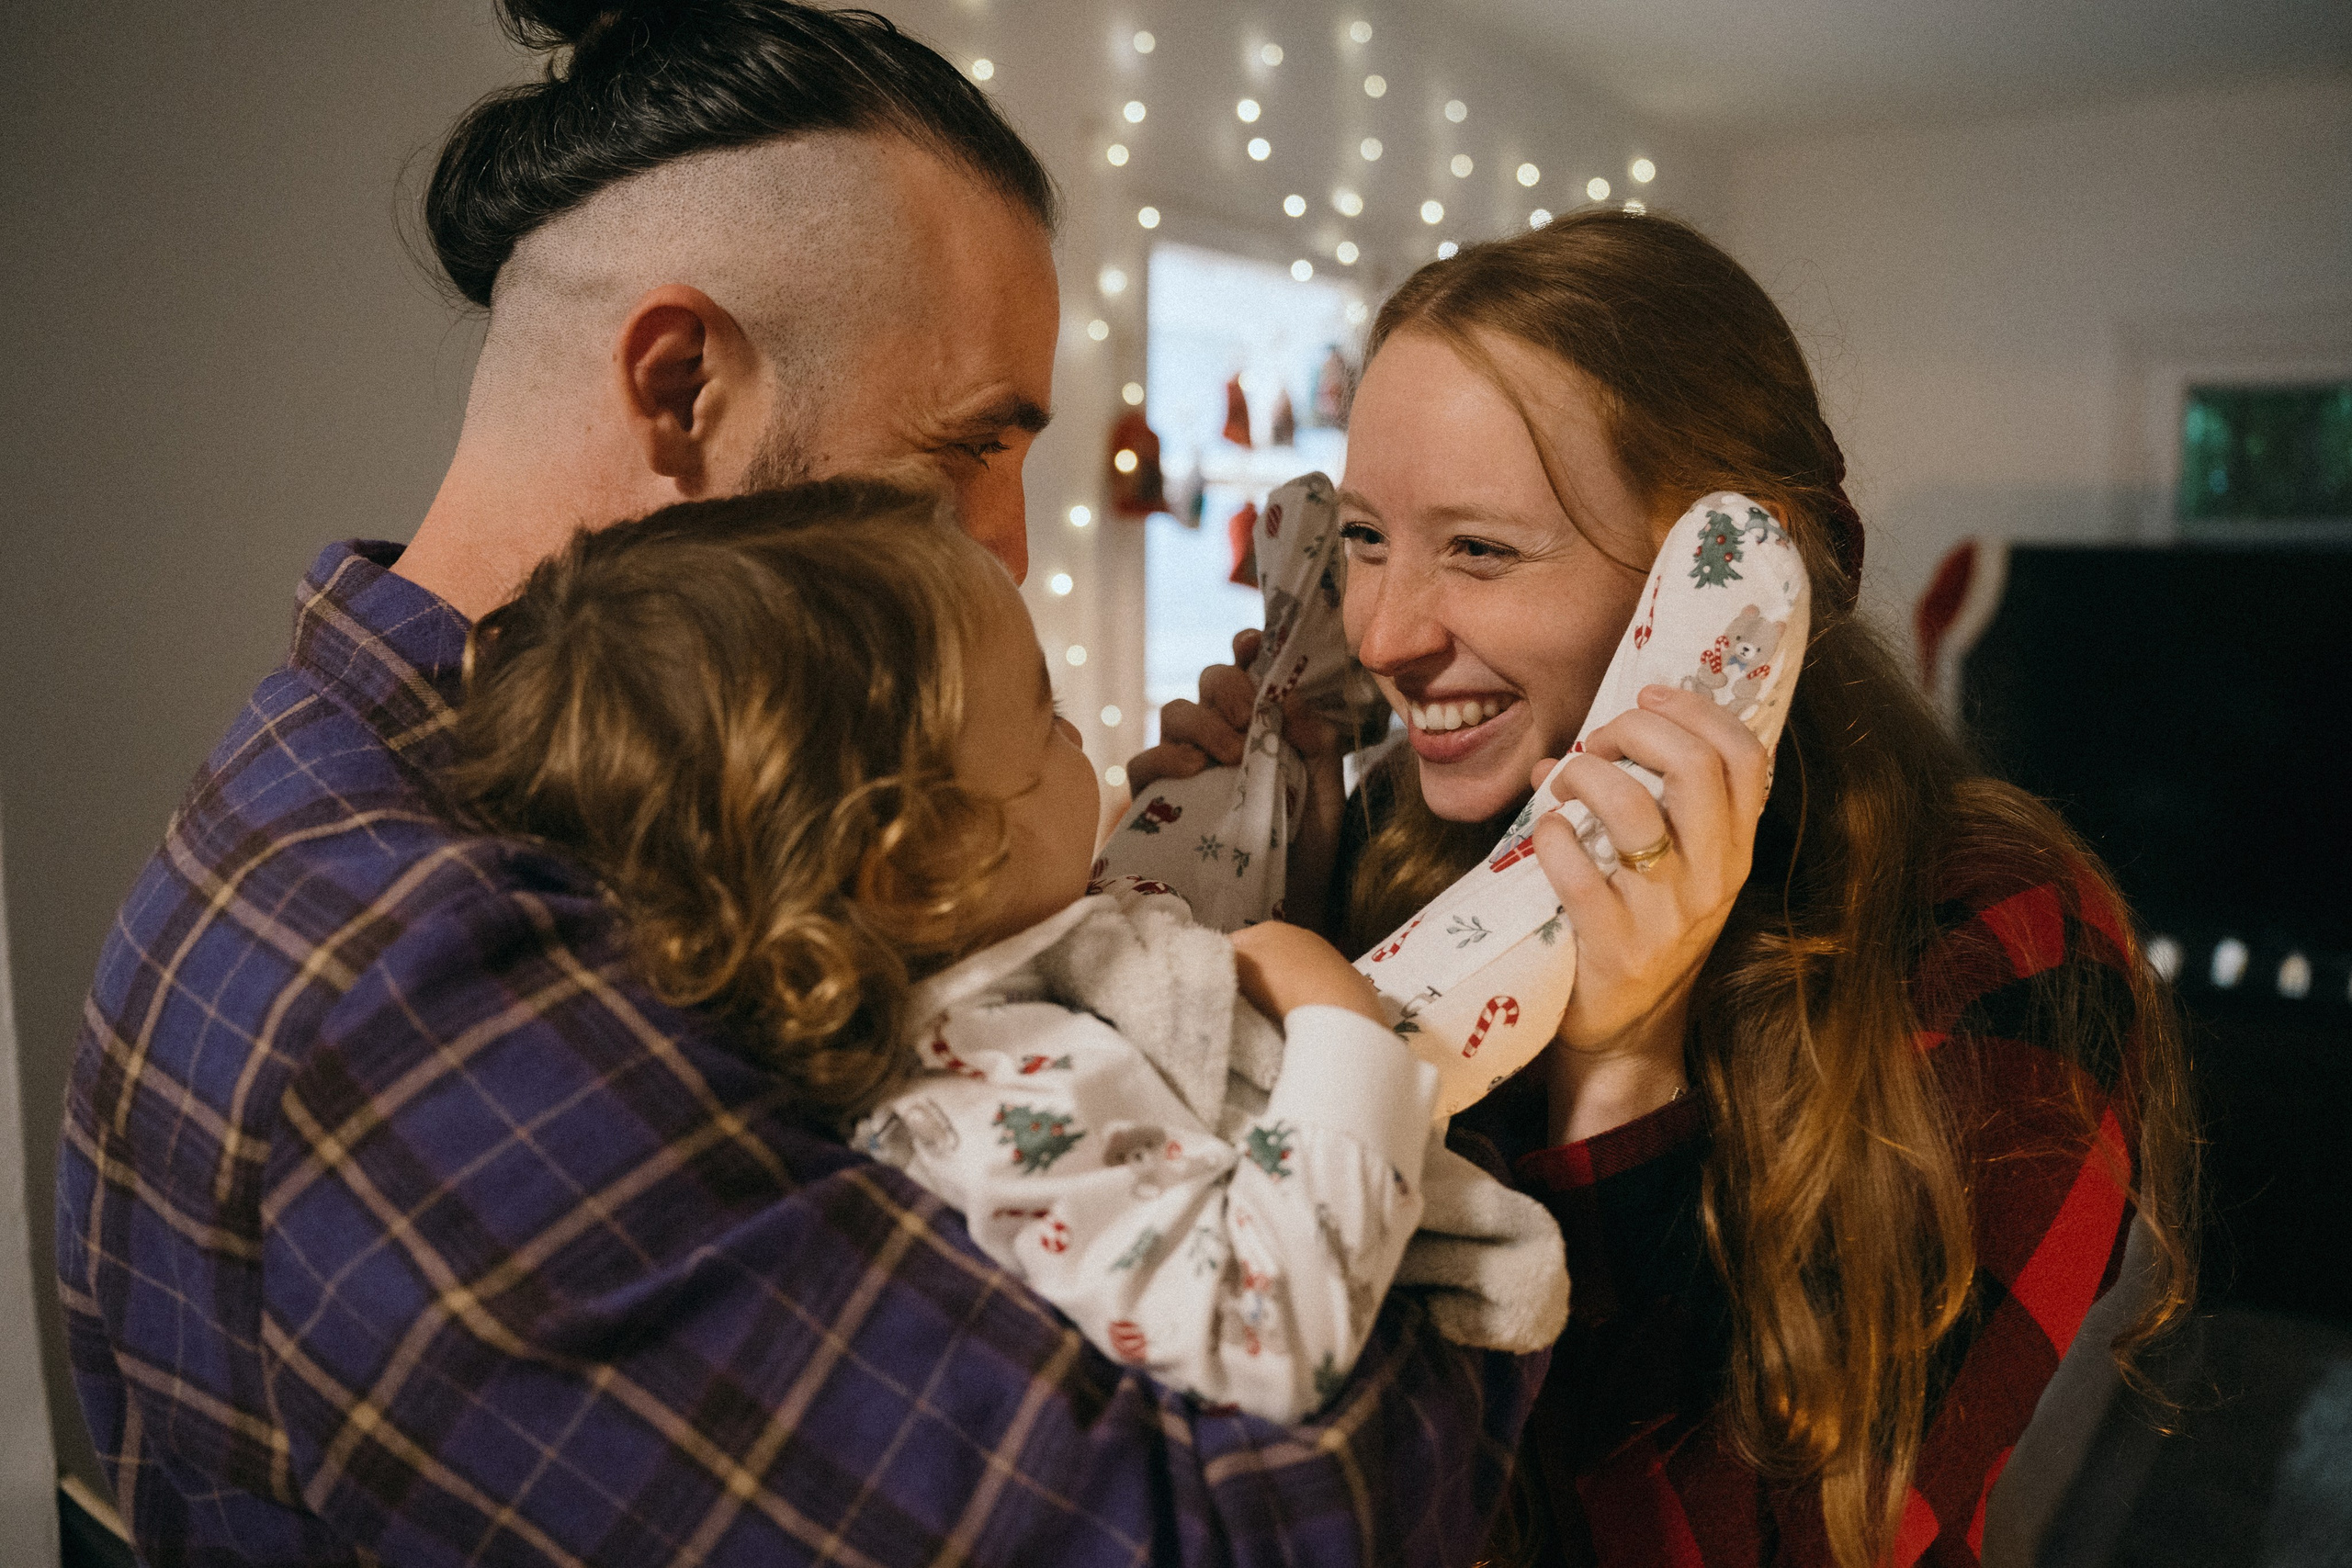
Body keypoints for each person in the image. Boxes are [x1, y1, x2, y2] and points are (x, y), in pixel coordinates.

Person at [53, 5, 1540, 1563]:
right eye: (964, 449)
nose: (1011, 549)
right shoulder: (441, 988)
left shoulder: (369, 774)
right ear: (683, 386)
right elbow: (1227, 1535)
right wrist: (1458, 1073)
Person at [1133, 209, 2198, 1567]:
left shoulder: (2002, 940)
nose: (1387, 634)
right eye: (1363, 536)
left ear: (1731, 591)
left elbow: (1786, 1536)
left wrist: (1622, 1079)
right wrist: (1238, 924)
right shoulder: (1399, 832)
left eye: (1480, 549)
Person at [442, 478, 1563, 1426]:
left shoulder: (990, 975)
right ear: (921, 865)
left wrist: (1241, 808)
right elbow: (1260, 1335)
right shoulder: (987, 1111)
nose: (1084, 744)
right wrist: (1338, 1031)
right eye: (1045, 723)